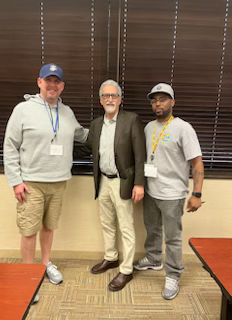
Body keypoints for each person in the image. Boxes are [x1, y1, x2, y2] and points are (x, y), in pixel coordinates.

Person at [3, 63, 88, 297]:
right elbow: (10, 146)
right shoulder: (23, 110)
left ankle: (46, 263)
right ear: (39, 82)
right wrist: (15, 181)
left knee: (49, 227)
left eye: (56, 81)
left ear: (62, 86)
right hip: (31, 183)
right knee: (29, 230)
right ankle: (29, 275)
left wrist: (111, 129)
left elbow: (82, 135)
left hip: (59, 181)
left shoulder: (67, 112)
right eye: (48, 80)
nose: (52, 85)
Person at [134, 83, 204, 300]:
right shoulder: (148, 128)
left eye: (163, 99)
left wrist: (197, 194)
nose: (158, 104)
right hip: (152, 191)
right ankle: (154, 259)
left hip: (173, 194)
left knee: (173, 238)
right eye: (154, 100)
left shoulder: (183, 128)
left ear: (172, 102)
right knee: (152, 229)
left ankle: (173, 274)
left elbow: (197, 163)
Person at [75, 79, 145, 291]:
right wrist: (60, 143)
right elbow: (88, 148)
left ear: (120, 99)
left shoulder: (131, 120)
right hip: (102, 180)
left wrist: (139, 184)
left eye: (113, 95)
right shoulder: (96, 124)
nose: (109, 99)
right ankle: (111, 257)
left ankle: (126, 270)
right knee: (106, 222)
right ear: (100, 100)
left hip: (123, 181)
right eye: (106, 96)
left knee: (125, 226)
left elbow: (140, 156)